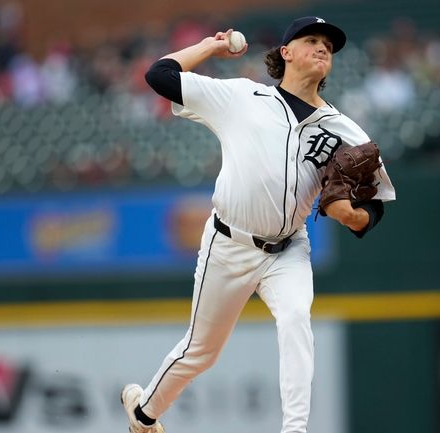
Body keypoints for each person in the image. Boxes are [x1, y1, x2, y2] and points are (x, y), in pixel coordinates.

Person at [121, 16, 396, 433]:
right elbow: (160, 75)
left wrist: (352, 216)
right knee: (202, 352)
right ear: (286, 53)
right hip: (228, 243)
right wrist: (210, 47)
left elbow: (375, 204)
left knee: (295, 318)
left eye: (329, 44)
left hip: (288, 248)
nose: (323, 48)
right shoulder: (241, 96)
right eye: (312, 40)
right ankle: (144, 416)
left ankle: (295, 429)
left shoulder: (345, 131)